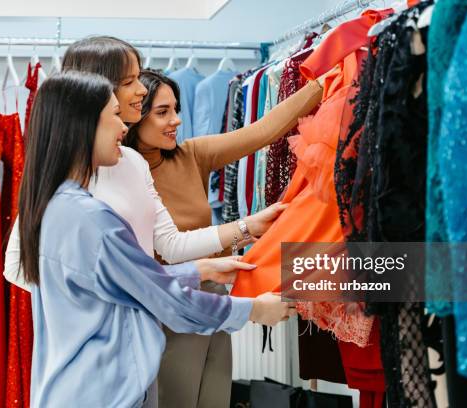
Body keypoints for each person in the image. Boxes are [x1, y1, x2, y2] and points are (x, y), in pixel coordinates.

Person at [19, 71, 294, 407]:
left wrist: (199, 271)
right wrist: (254, 310)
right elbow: (165, 299)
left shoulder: (55, 208)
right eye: (115, 115)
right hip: (105, 392)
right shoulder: (94, 221)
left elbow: (128, 282)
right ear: (84, 126)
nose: (124, 126)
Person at [4, 36, 285, 291]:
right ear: (93, 88)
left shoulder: (133, 162)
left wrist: (248, 226)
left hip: (145, 326)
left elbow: (171, 245)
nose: (141, 90)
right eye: (129, 82)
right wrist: (96, 301)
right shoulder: (64, 173)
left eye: (138, 78)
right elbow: (18, 269)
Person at [124, 69, 324, 407]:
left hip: (216, 300)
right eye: (162, 113)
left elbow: (264, 131)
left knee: (215, 400)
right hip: (168, 308)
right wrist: (245, 228)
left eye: (176, 109)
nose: (175, 120)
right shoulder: (122, 174)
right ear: (136, 117)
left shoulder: (192, 155)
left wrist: (324, 80)